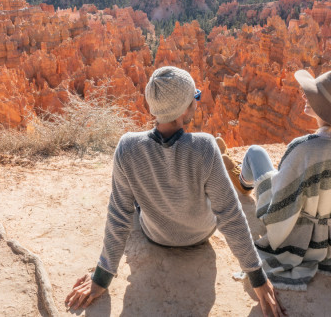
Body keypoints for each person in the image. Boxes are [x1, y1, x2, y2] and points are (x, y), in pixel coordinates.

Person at [66, 66, 285, 315]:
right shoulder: (204, 147)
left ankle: (208, 174)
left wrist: (101, 277)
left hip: (155, 234)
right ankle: (224, 170)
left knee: (136, 202)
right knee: (208, 185)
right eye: (195, 98)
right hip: (200, 234)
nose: (197, 102)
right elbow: (230, 214)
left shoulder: (127, 147)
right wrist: (257, 276)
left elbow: (118, 216)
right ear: (184, 110)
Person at [232, 69, 331, 290]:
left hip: (297, 231)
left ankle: (243, 185)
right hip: (327, 238)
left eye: (311, 95)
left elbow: (280, 203)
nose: (305, 96)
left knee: (255, 153)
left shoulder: (304, 148)